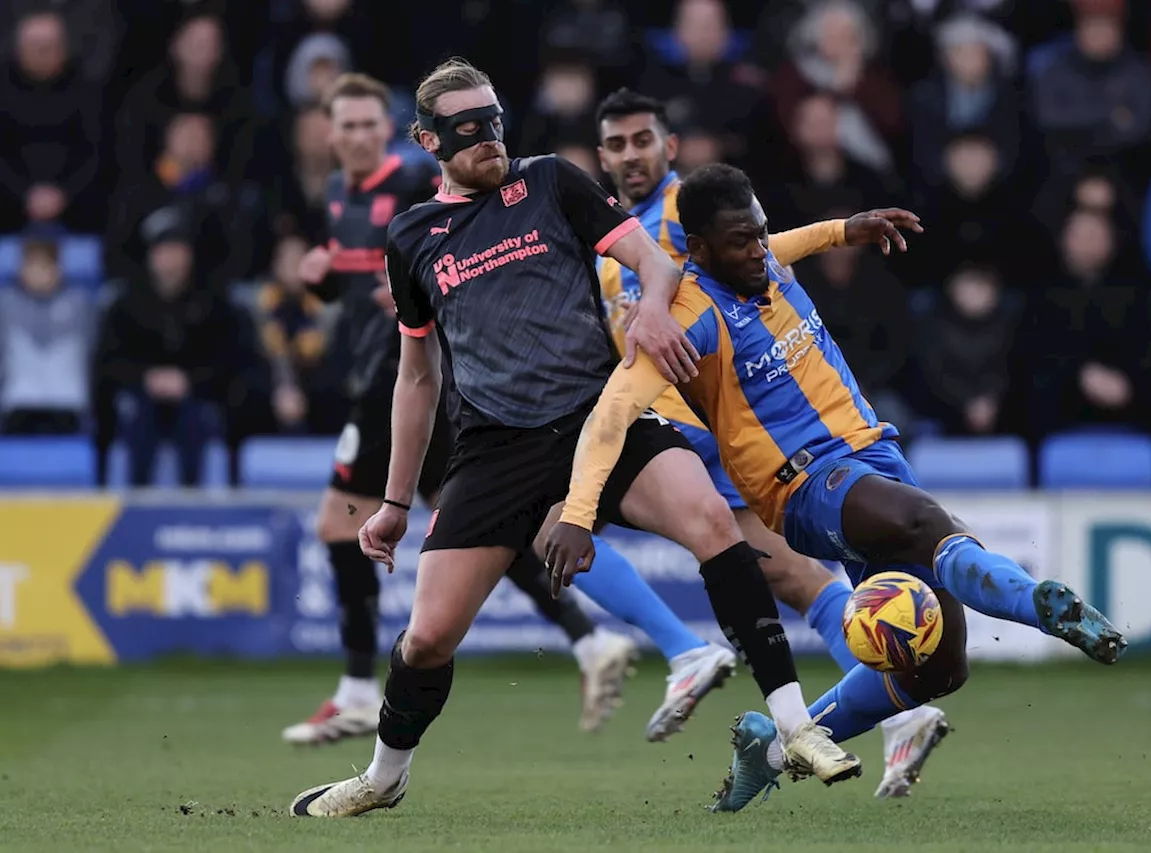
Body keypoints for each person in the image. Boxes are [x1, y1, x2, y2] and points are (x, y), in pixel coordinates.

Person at [290, 59, 856, 818]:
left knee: (711, 520)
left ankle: (796, 723)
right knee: (426, 640)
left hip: (602, 418)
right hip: (493, 448)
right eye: (465, 129)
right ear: (428, 140)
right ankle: (385, 777)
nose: (487, 138)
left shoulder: (552, 181)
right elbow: (417, 376)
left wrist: (654, 311)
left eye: (493, 119)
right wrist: (394, 501)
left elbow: (653, 260)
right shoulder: (413, 236)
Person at [545, 163, 1128, 811]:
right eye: (742, 241)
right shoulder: (688, 319)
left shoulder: (763, 260)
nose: (760, 249)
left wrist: (843, 231)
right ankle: (1045, 605)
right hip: (801, 485)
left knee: (940, 667)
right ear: (700, 251)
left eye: (762, 232)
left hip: (873, 455)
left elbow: (786, 244)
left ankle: (767, 752)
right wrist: (577, 511)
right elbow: (610, 415)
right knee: (921, 524)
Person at [590, 87, 948, 795]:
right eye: (616, 144)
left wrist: (838, 230)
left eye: (642, 140)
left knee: (554, 515)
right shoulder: (612, 241)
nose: (630, 155)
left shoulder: (681, 219)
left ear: (671, 147)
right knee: (792, 578)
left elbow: (748, 271)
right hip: (689, 434)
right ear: (600, 156)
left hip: (711, 433)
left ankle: (683, 649)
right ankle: (896, 705)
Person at [282, 72, 639, 745]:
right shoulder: (338, 195)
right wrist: (328, 280)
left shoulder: (407, 193)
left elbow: (441, 268)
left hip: (417, 376)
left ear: (398, 135)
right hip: (391, 377)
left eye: (369, 124)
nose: (359, 136)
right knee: (492, 528)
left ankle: (360, 687)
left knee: (340, 522)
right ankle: (589, 640)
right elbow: (370, 288)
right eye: (347, 125)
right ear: (329, 134)